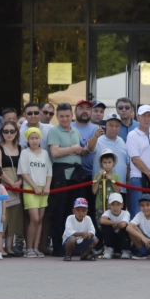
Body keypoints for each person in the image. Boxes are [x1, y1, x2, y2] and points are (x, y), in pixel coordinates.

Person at [46, 102, 86, 255]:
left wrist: (79, 150)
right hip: (60, 175)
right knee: (59, 212)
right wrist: (73, 149)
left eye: (67, 116)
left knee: (74, 211)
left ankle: (73, 246)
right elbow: (55, 153)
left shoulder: (76, 131)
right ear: (57, 117)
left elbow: (82, 150)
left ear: (72, 116)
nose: (65, 119)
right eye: (61, 116)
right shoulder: (54, 132)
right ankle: (58, 247)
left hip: (76, 175)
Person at [0, 118, 23, 251]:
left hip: (18, 183)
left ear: (16, 133)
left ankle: (9, 247)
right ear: (1, 133)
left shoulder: (20, 147)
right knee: (2, 215)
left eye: (12, 131)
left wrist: (19, 183)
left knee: (14, 217)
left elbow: (23, 168)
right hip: (4, 184)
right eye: (6, 131)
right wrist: (11, 184)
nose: (9, 133)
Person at [18, 126, 51, 258]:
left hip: (43, 189)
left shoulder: (44, 153)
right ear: (28, 140)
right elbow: (23, 172)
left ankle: (36, 247)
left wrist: (47, 186)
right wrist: (34, 187)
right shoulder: (25, 153)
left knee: (40, 220)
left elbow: (49, 171)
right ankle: (29, 248)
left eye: (36, 138)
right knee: (34, 219)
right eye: (32, 138)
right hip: (30, 189)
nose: (34, 141)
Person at [126, 104, 150, 218]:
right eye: (143, 115)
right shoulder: (132, 135)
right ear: (137, 117)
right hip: (138, 177)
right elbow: (135, 159)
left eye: (149, 115)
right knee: (137, 211)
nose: (146, 118)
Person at [99, 192, 132, 259]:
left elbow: (123, 225)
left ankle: (125, 250)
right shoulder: (107, 212)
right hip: (112, 239)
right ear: (109, 205)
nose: (115, 207)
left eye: (118, 204)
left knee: (126, 227)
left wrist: (113, 226)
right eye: (113, 204)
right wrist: (116, 223)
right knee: (105, 225)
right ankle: (109, 248)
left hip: (122, 240)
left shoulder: (126, 213)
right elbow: (102, 220)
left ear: (122, 205)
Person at [91, 149, 121, 221]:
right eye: (105, 162)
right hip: (99, 206)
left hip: (112, 206)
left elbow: (118, 191)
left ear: (113, 163)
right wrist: (98, 178)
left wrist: (111, 180)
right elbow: (94, 191)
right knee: (100, 225)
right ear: (101, 164)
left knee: (112, 225)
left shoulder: (116, 176)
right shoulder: (97, 175)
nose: (107, 165)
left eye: (109, 162)